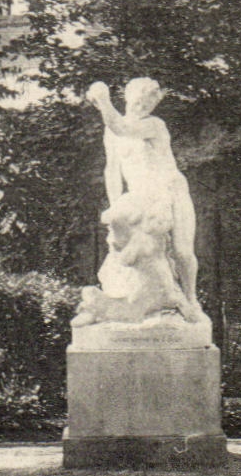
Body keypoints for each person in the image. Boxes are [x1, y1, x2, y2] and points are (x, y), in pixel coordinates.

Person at [87, 78, 206, 323]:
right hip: (140, 196)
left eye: (150, 103)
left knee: (183, 252)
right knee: (124, 241)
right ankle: (127, 298)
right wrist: (115, 203)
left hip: (170, 192)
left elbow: (122, 127)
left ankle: (191, 298)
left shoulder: (154, 125)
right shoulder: (111, 130)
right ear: (129, 97)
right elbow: (112, 170)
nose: (144, 106)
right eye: (140, 100)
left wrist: (102, 99)